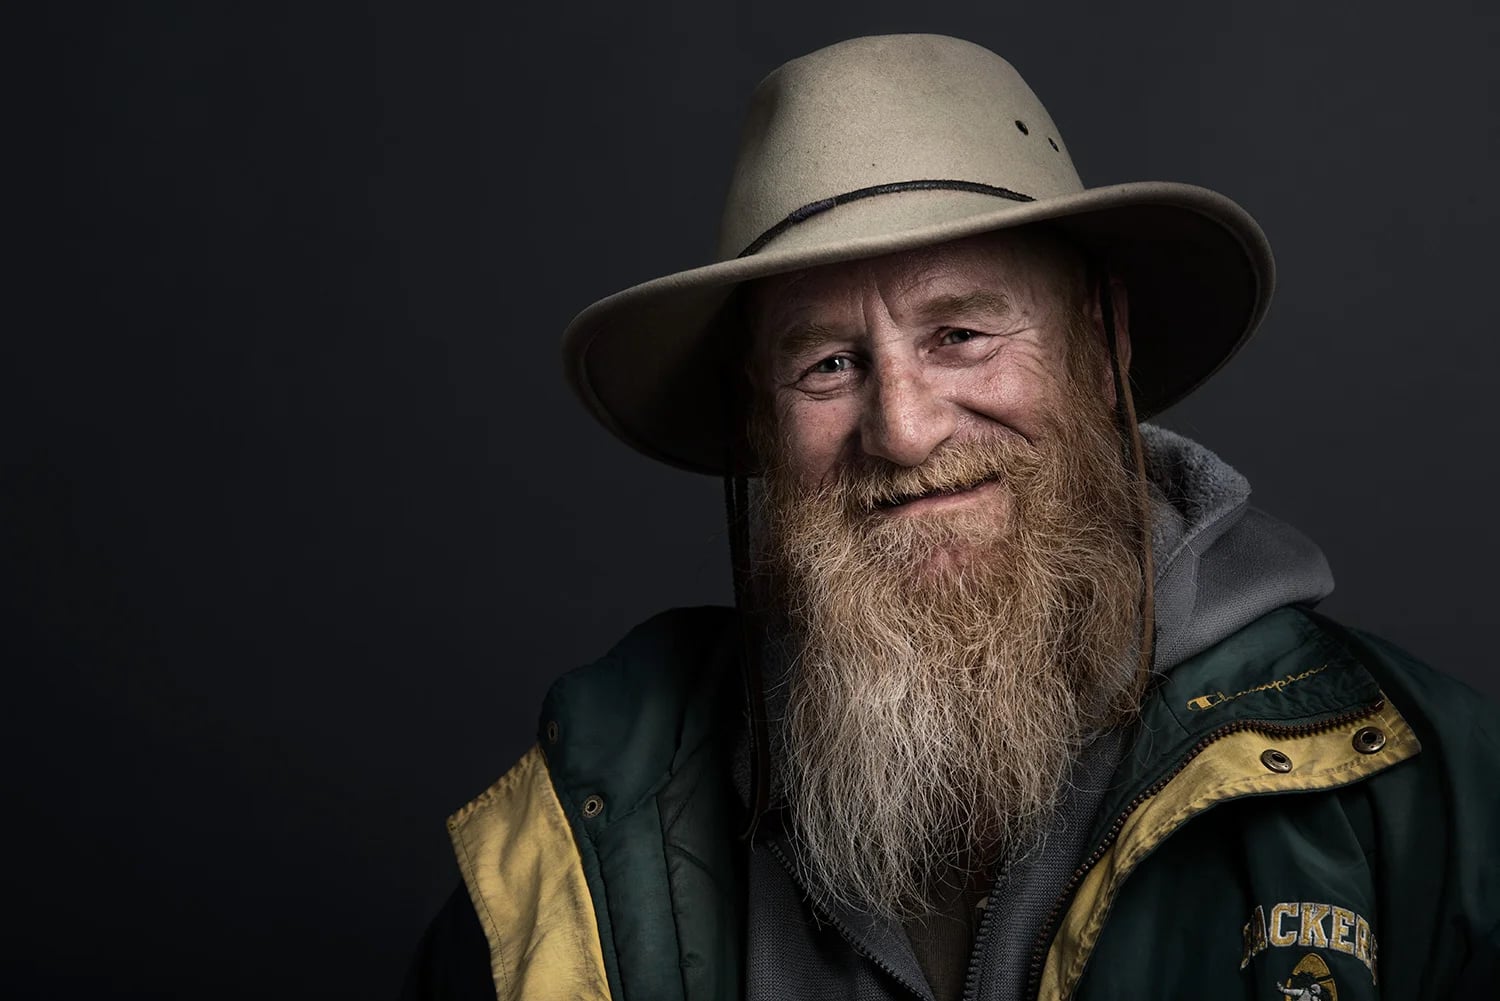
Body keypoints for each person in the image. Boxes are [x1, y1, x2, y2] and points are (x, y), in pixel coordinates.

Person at [403, 34, 1499, 1001]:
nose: (907, 428)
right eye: (828, 364)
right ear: (754, 424)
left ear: (1102, 344)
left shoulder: (1424, 797)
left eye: (962, 334)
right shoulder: (588, 827)